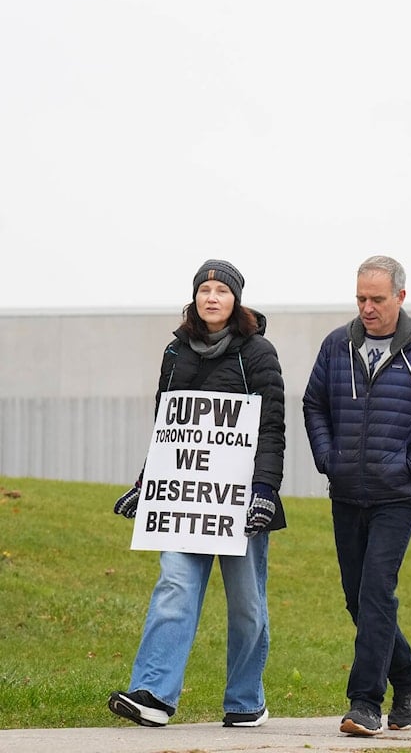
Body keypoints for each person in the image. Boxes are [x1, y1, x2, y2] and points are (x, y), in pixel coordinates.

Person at [108, 259, 286, 729]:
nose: (212, 297)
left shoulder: (258, 353)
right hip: (186, 502)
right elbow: (169, 430)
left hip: (242, 504)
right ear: (194, 298)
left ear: (235, 300)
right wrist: (148, 485)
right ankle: (154, 694)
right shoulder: (174, 353)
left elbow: (271, 429)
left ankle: (246, 701)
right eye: (204, 289)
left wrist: (265, 491)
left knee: (247, 606)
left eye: (221, 291)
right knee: (174, 588)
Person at [302, 254, 411, 737]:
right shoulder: (337, 346)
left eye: (376, 299)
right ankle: (410, 675)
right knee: (356, 598)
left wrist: (410, 466)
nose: (367, 308)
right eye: (360, 298)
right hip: (346, 491)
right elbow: (314, 404)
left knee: (376, 591)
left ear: (400, 296)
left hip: (398, 496)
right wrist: (328, 458)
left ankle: (365, 703)